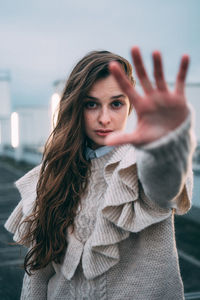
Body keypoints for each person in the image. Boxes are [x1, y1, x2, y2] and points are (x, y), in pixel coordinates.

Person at [5, 47, 196, 300]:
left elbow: (166, 187)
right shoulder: (51, 174)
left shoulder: (140, 162)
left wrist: (168, 143)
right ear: (75, 106)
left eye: (116, 104)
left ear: (129, 107)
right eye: (91, 104)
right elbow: (37, 275)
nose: (104, 118)